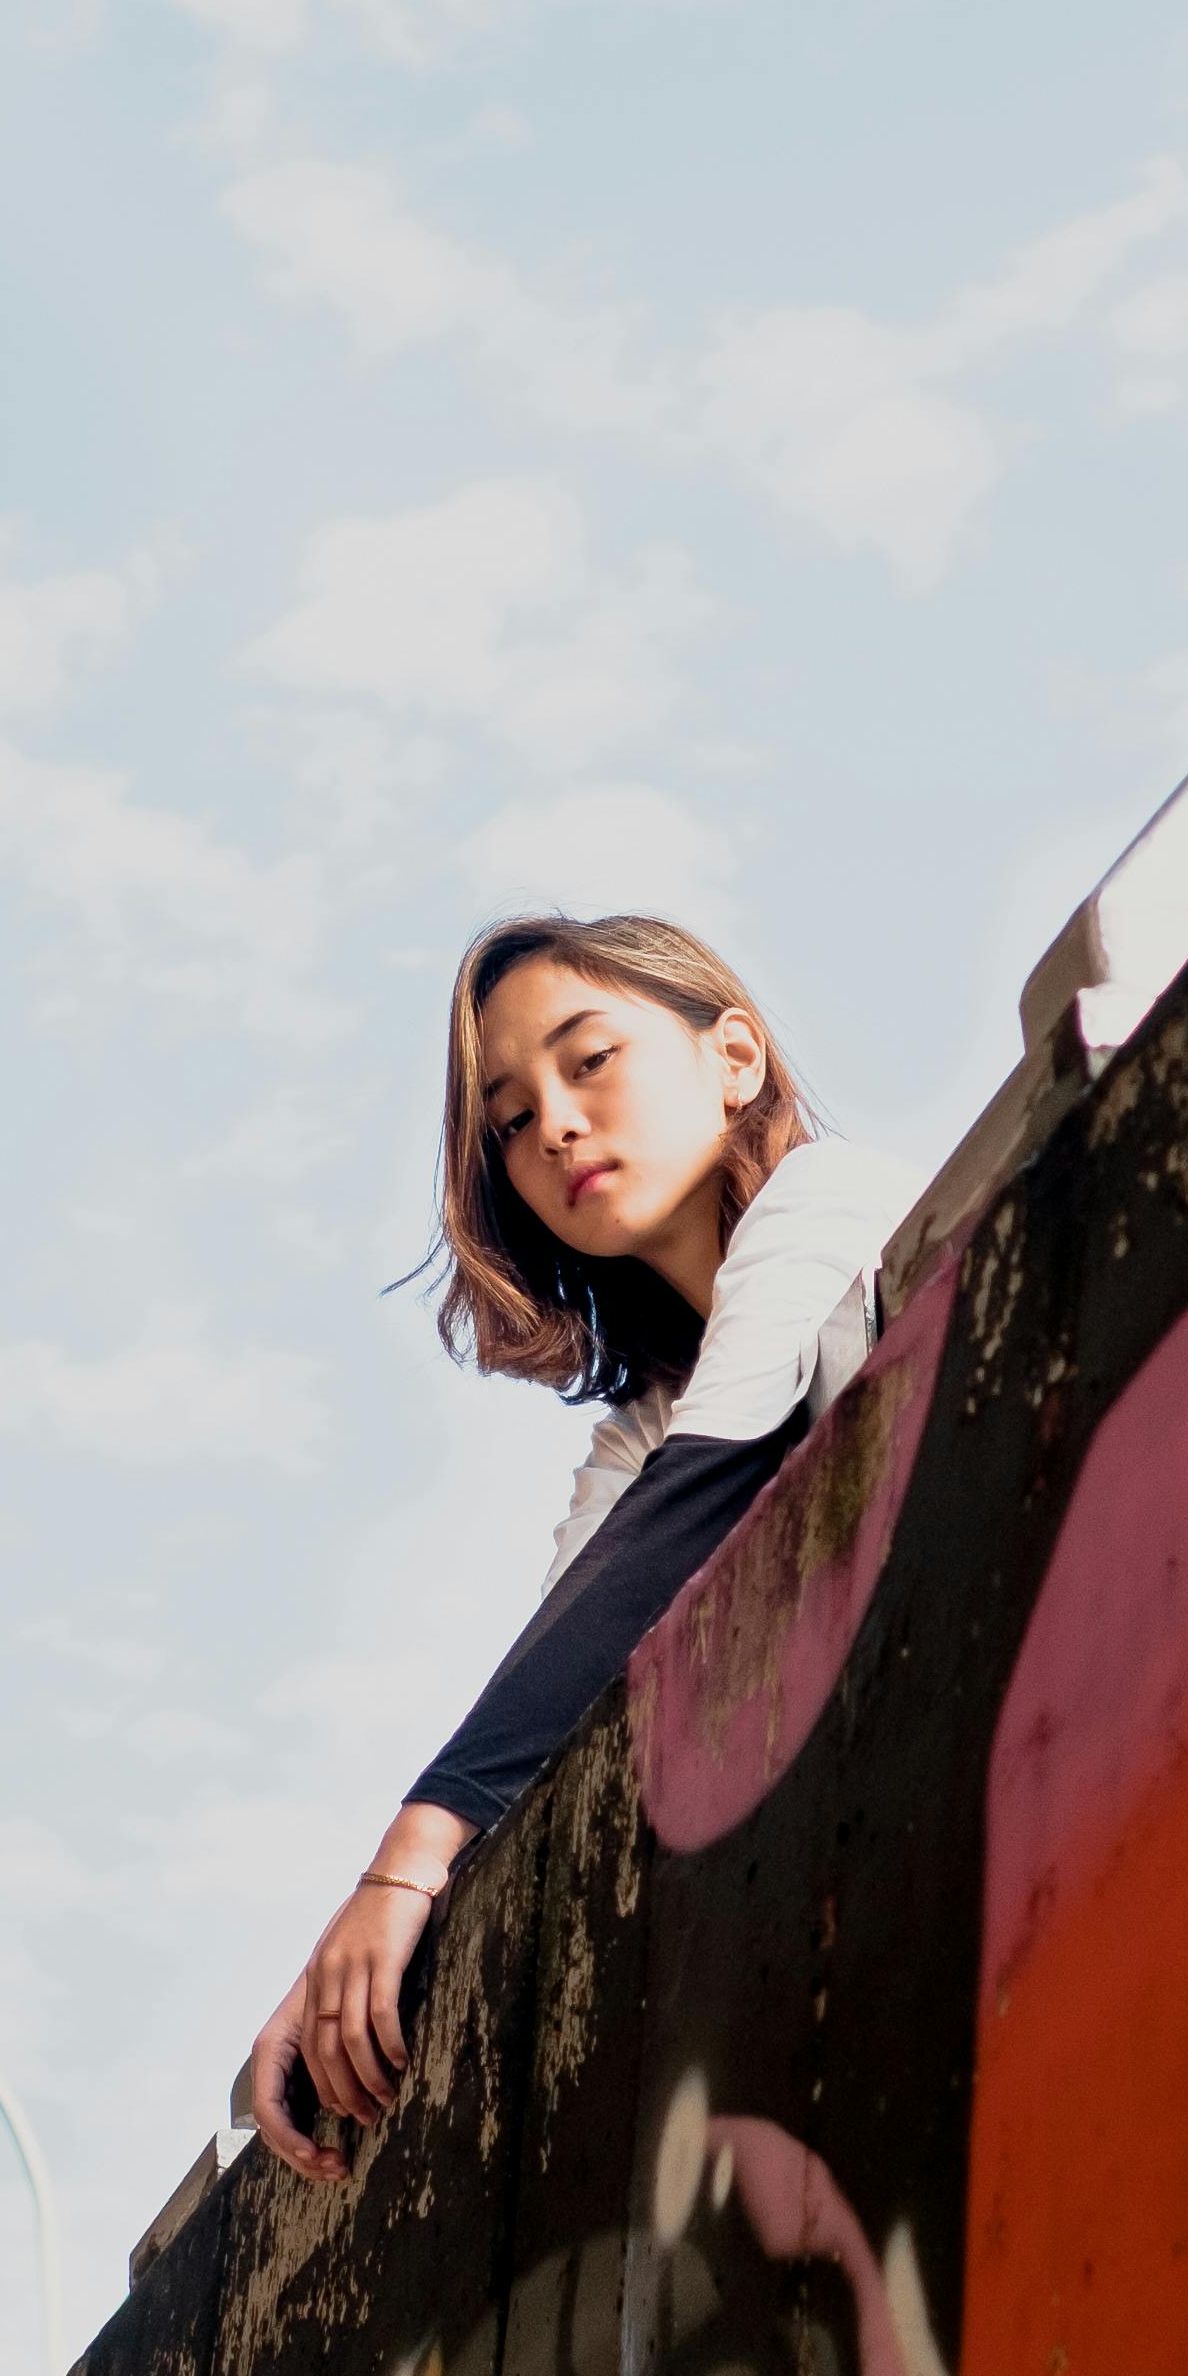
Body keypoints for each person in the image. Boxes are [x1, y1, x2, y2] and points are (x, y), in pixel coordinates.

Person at [241, 912, 917, 2171]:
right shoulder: (645, 1429)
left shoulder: (832, 1209)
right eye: (508, 1117)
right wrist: (350, 1965)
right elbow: (572, 1677)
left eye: (587, 1060)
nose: (551, 1124)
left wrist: (403, 1862)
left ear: (735, 1058)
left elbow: (704, 1493)